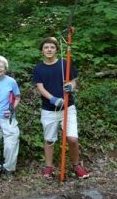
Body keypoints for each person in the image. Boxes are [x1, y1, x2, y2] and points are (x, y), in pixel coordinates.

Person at [33, 37, 89, 179]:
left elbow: (74, 81)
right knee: (49, 140)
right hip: (48, 109)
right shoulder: (39, 68)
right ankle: (49, 168)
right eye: (46, 47)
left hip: (68, 108)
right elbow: (40, 87)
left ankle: (77, 166)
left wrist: (71, 86)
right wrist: (52, 98)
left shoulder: (66, 64)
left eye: (52, 47)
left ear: (57, 49)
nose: (49, 50)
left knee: (72, 139)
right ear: (42, 51)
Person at [0, 56, 21, 181]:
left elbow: (17, 97)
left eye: (1, 66)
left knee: (10, 145)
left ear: (5, 68)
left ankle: (9, 169)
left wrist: (12, 110)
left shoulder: (11, 81)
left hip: (9, 120)